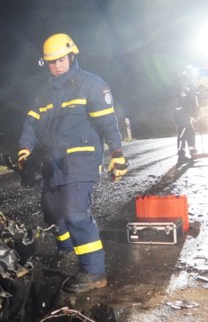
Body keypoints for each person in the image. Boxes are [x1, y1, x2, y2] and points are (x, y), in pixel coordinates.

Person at [16, 33, 127, 293]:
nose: (57, 65)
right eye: (52, 62)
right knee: (51, 210)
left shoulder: (91, 85)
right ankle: (66, 249)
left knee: (75, 213)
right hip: (53, 162)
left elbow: (108, 124)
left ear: (72, 56)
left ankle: (94, 271)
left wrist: (117, 155)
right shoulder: (44, 93)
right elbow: (31, 124)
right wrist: (24, 150)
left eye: (61, 59)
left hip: (81, 160)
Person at [173, 84, 198, 163]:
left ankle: (193, 152)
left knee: (191, 135)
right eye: (184, 91)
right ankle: (181, 155)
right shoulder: (179, 100)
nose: (185, 93)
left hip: (187, 120)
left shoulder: (186, 99)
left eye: (186, 91)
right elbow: (177, 111)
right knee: (182, 137)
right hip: (182, 122)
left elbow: (190, 108)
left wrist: (193, 115)